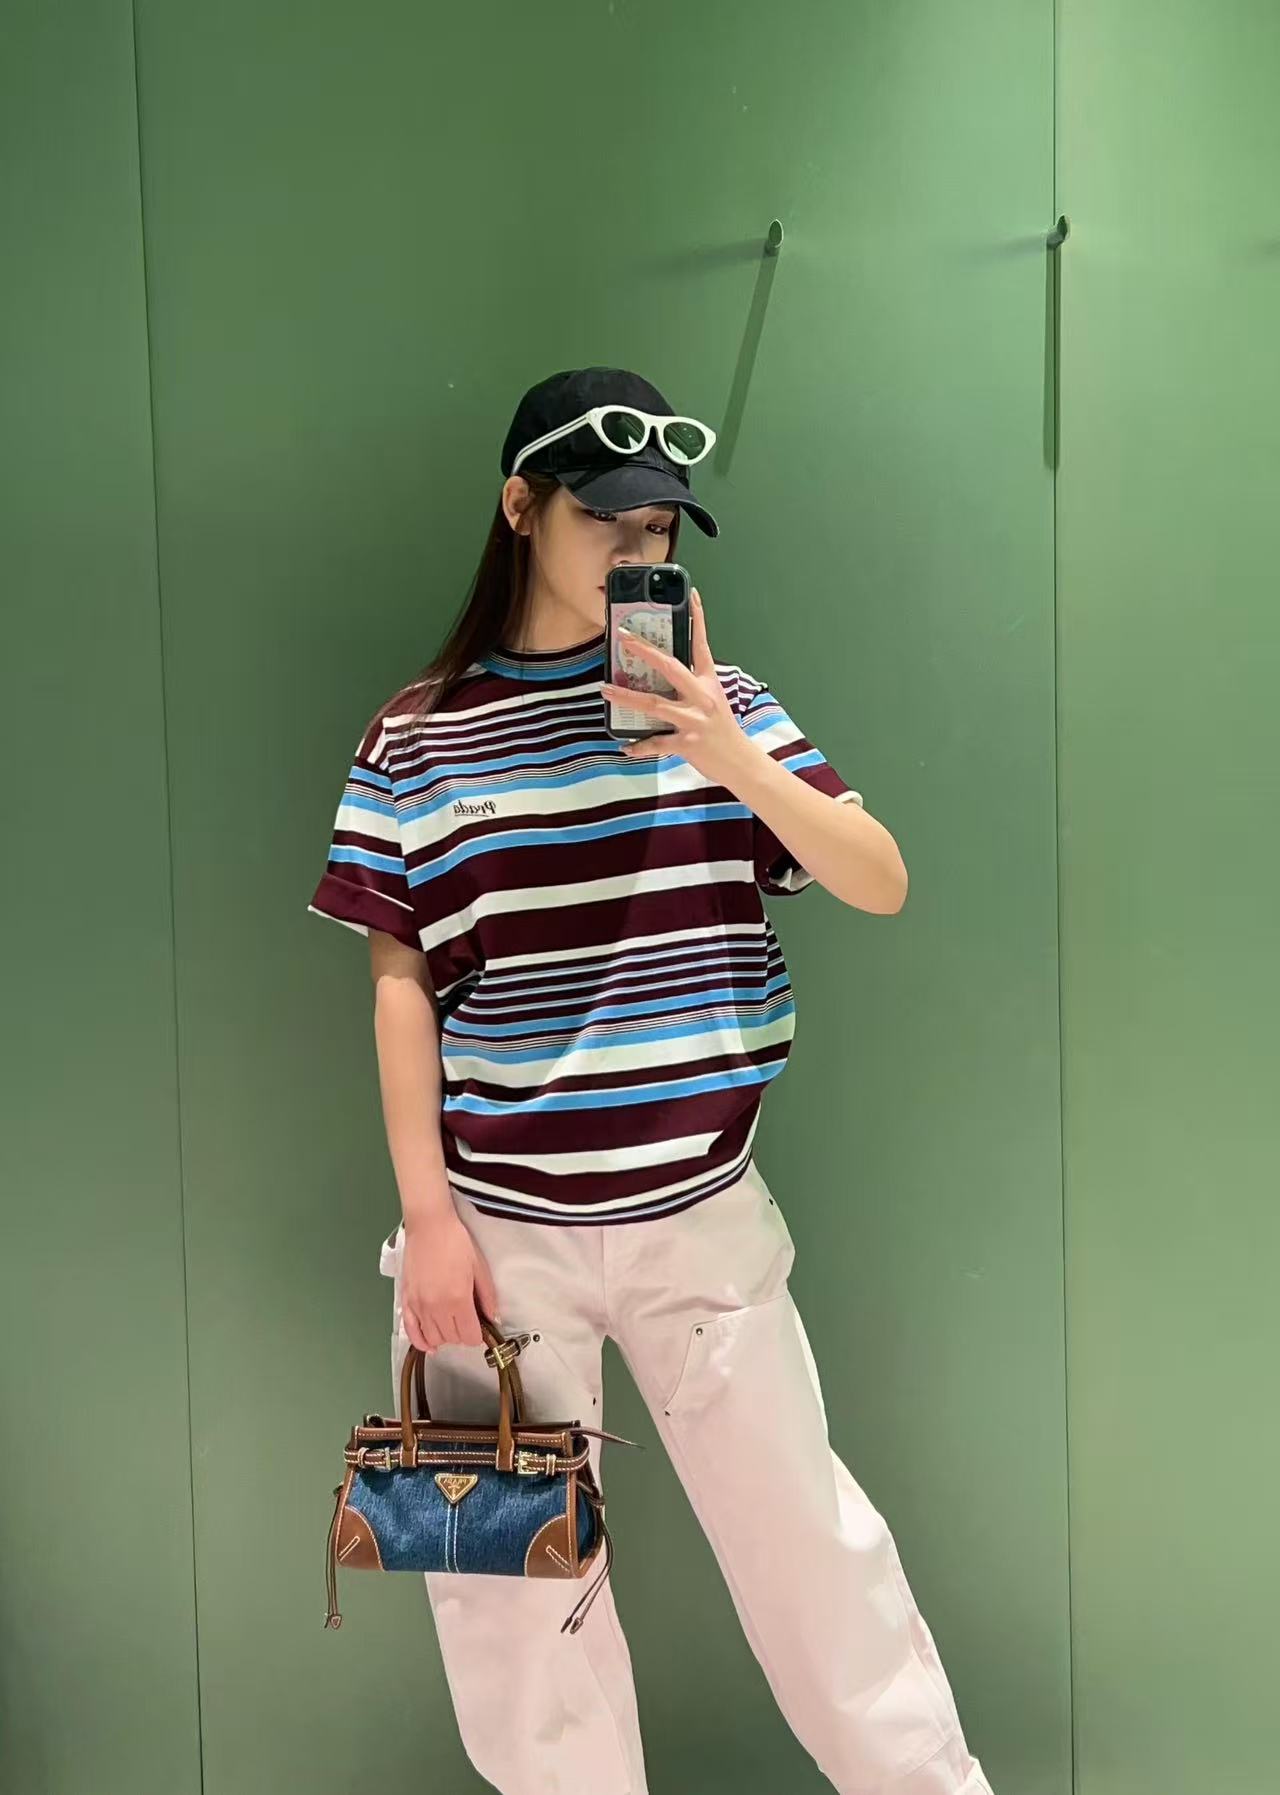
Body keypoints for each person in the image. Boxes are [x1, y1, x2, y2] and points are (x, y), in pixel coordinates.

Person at [308, 366, 994, 1795]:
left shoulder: (723, 709)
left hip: (701, 1217)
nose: (641, 553)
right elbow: (399, 982)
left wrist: (728, 753)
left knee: (817, 1567)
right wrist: (426, 1221)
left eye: (661, 530)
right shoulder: (416, 736)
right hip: (498, 1242)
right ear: (521, 509)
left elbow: (879, 877)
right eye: (608, 522)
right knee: (516, 1618)